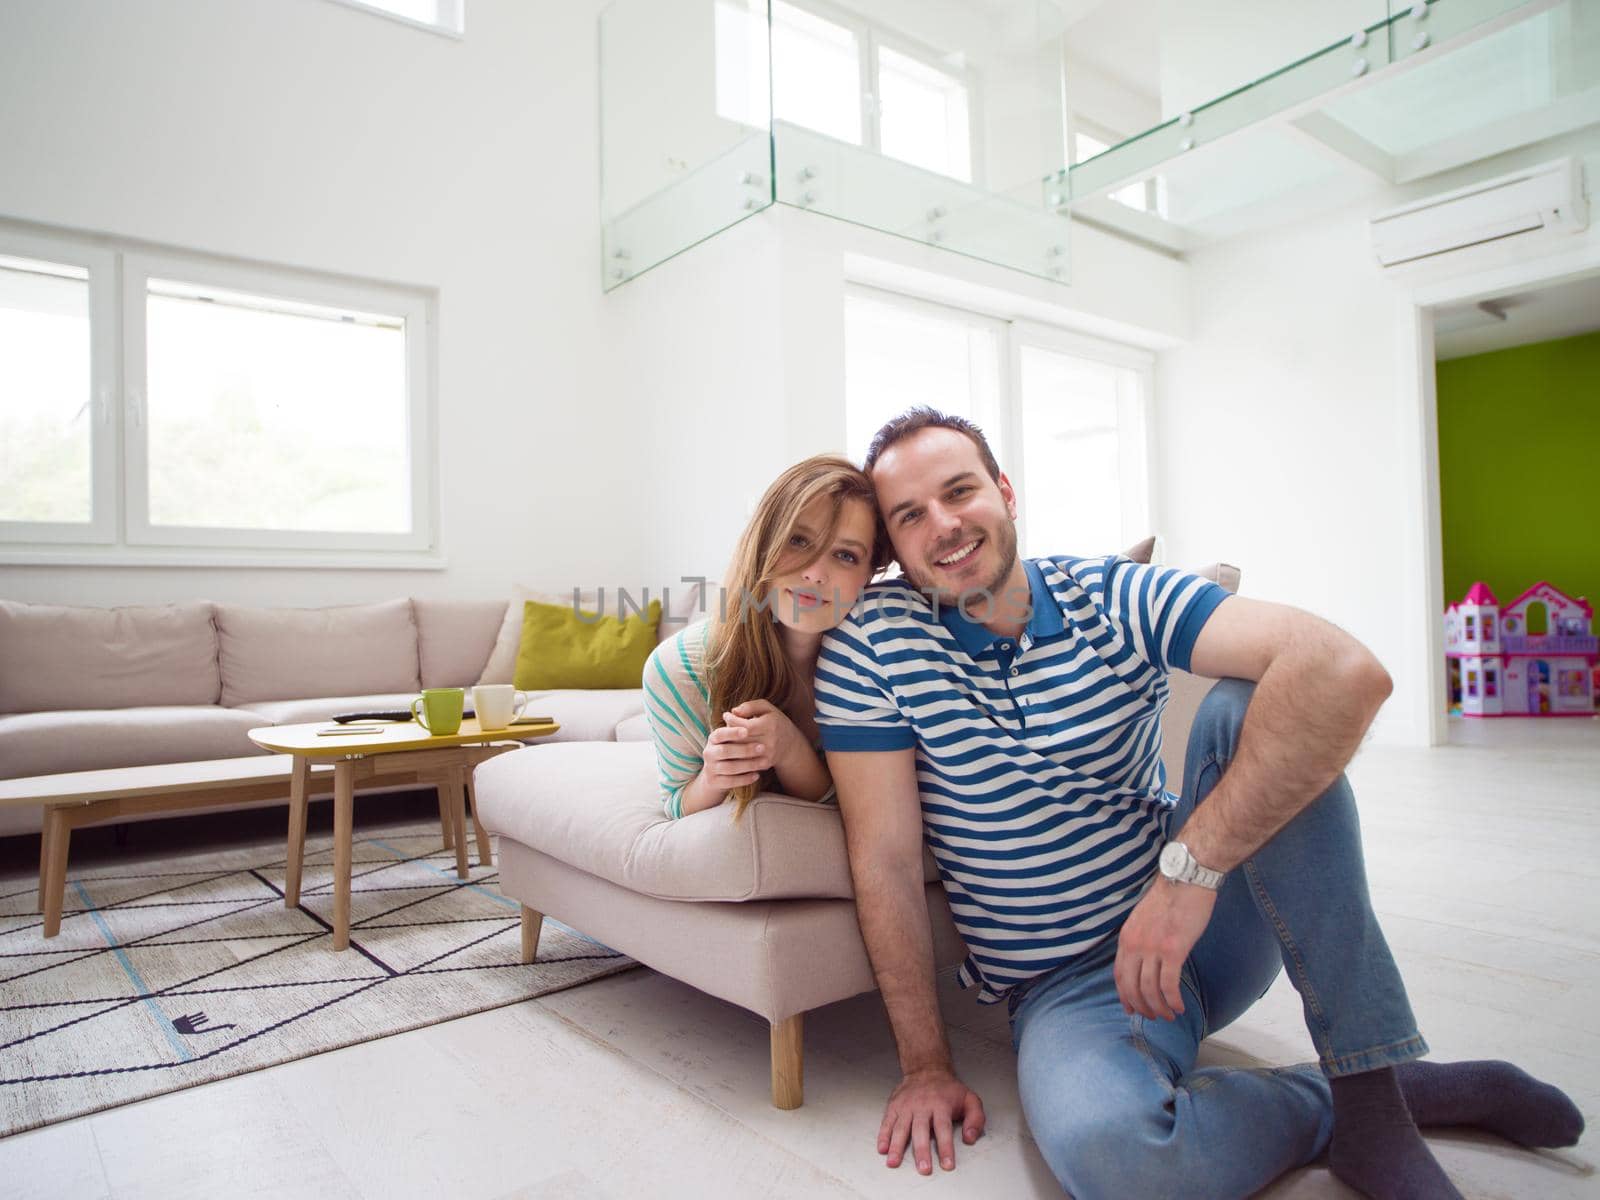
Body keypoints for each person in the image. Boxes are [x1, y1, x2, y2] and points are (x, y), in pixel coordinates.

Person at [815, 407, 1583, 1200]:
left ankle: (1374, 1107)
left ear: (1005, 492)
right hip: (1064, 987)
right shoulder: (873, 646)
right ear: (893, 550)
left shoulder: (1107, 592)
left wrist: (1187, 875)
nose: (942, 525)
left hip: (1208, 919)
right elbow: (887, 861)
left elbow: (1345, 671)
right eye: (910, 516)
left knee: (1258, 706)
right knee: (1121, 1158)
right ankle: (1361, 1097)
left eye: (959, 491)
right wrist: (925, 1066)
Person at [644, 455, 889, 819]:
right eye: (799, 540)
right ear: (763, 542)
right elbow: (676, 803)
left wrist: (791, 752)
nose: (815, 573)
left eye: (845, 555)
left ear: (869, 576)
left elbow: (864, 813)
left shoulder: (879, 664)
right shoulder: (676, 668)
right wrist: (714, 777)